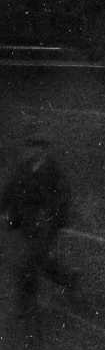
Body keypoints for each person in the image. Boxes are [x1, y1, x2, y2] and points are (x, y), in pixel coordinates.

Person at [4, 134, 85, 322]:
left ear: (43, 148)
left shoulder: (51, 170)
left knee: (27, 263)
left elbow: (62, 197)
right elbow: (10, 190)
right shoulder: (23, 168)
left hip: (45, 224)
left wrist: (53, 220)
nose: (31, 150)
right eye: (29, 146)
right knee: (38, 260)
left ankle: (26, 305)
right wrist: (6, 210)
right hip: (26, 223)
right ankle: (68, 278)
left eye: (35, 146)